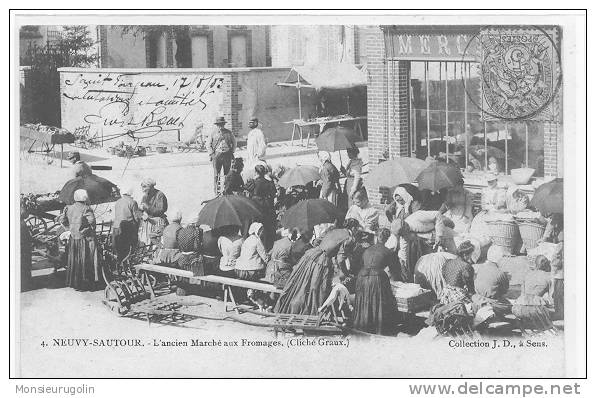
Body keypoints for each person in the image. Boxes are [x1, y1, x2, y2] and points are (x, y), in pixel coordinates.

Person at [274, 219, 359, 315]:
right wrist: (347, 274)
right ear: (354, 228)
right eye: (357, 229)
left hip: (311, 255)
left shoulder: (332, 229)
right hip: (322, 261)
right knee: (316, 290)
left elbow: (315, 242)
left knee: (301, 286)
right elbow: (340, 259)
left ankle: (289, 311)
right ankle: (312, 314)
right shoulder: (349, 238)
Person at [353, 228, 401, 335]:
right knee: (378, 301)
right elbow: (395, 272)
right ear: (387, 239)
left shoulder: (367, 250)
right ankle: (378, 328)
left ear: (376, 237)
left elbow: (361, 264)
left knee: (365, 300)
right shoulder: (388, 252)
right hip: (377, 278)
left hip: (362, 277)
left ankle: (363, 326)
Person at [59, 189, 101, 291]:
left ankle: (75, 283)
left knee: (75, 260)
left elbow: (63, 220)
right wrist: (88, 230)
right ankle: (86, 283)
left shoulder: (69, 208)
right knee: (86, 260)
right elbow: (92, 223)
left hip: (74, 238)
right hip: (84, 239)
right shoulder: (86, 208)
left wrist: (70, 230)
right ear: (85, 197)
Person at [472, 245, 511, 316]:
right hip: (493, 303)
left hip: (477, 299)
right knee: (510, 306)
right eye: (503, 257)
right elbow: (505, 290)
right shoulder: (500, 273)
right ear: (499, 259)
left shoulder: (481, 268)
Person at [439, 240, 476, 305]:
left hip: (445, 295)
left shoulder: (448, 262)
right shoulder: (466, 266)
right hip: (457, 296)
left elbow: (444, 275)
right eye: (471, 254)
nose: (471, 256)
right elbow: (470, 287)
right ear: (465, 254)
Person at [207, 116, 236, 195]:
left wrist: (232, 152)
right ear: (217, 125)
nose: (220, 126)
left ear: (224, 124)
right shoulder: (213, 133)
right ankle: (216, 190)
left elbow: (234, 143)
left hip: (227, 155)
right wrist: (212, 154)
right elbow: (208, 144)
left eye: (222, 124)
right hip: (217, 155)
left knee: (227, 173)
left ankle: (226, 189)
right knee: (217, 173)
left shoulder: (228, 133)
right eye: (219, 124)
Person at [112, 185, 141, 263]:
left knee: (119, 248)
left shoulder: (118, 202)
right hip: (127, 228)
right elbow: (137, 217)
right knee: (129, 247)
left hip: (116, 227)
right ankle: (128, 262)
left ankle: (119, 263)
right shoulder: (132, 202)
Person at [138, 178, 168, 246]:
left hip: (157, 222)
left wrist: (147, 207)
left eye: (145, 187)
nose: (143, 189)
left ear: (151, 186)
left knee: (156, 243)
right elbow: (140, 210)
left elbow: (161, 210)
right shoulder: (145, 196)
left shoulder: (160, 195)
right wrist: (141, 215)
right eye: (142, 187)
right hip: (147, 223)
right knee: (147, 243)